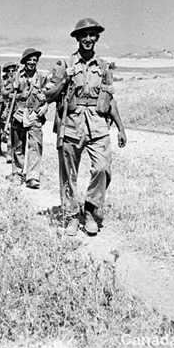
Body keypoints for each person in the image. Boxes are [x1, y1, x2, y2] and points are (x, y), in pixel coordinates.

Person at [45, 18, 127, 236]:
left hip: (98, 125)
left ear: (97, 38)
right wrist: (64, 81)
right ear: (77, 38)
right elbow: (48, 95)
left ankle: (89, 209)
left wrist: (120, 127)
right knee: (68, 173)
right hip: (71, 124)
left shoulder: (103, 67)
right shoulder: (65, 64)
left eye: (92, 35)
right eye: (83, 35)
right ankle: (72, 215)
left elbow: (109, 99)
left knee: (102, 168)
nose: (88, 39)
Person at [6, 48, 48, 189]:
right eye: (29, 60)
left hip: (35, 115)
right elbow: (5, 94)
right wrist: (17, 94)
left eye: (34, 60)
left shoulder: (42, 78)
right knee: (18, 146)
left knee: (35, 146)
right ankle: (17, 173)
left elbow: (49, 95)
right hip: (18, 114)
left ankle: (32, 177)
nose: (32, 62)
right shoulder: (16, 76)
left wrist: (45, 106)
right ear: (24, 61)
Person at [0, 61, 18, 161]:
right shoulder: (1, 81)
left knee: (12, 131)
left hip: (14, 109)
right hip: (2, 109)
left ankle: (9, 153)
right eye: (9, 71)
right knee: (0, 130)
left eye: (13, 71)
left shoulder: (18, 80)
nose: (11, 73)